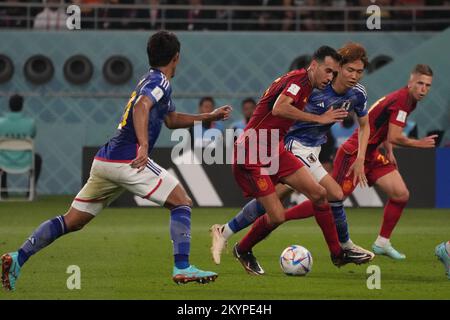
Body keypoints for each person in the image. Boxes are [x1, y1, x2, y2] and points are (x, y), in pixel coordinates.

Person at [0, 31, 232, 291]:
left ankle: (18, 257)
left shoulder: (150, 79)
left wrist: (207, 116)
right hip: (128, 159)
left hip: (105, 160)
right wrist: (143, 145)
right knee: (182, 202)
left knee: (72, 220)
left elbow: (170, 119)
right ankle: (182, 267)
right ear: (176, 57)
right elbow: (142, 106)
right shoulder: (160, 82)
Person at [210, 43, 374, 268]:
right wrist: (319, 118)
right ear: (316, 66)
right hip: (273, 147)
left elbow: (365, 125)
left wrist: (360, 158)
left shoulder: (334, 88)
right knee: (318, 197)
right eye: (346, 70)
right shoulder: (303, 84)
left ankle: (229, 235)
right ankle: (341, 249)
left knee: (300, 198)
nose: (352, 76)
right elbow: (279, 108)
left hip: (277, 147)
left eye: (359, 72)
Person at [332, 64, 436, 259]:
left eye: (428, 85)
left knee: (401, 194)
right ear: (410, 82)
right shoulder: (403, 100)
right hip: (354, 153)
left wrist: (387, 148)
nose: (423, 89)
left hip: (372, 153)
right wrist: (419, 144)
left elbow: (385, 126)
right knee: (332, 199)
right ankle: (281, 217)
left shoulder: (408, 100)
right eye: (420, 83)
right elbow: (397, 136)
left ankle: (382, 242)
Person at [0, 94, 42, 199]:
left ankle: (3, 191)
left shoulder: (1, 123)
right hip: (26, 160)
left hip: (3, 161)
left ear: (9, 106)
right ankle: (30, 192)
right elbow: (32, 136)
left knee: (2, 154)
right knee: (37, 158)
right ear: (22, 106)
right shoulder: (30, 123)